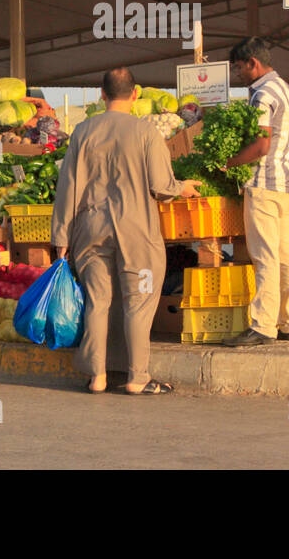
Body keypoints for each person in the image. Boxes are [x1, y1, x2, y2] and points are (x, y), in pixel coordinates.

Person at [51, 67, 201, 393]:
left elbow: (68, 188)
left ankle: (98, 376)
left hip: (90, 230)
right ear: (135, 94)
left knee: (97, 301)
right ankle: (137, 377)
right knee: (140, 299)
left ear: (101, 94)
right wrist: (183, 187)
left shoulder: (82, 131)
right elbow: (161, 185)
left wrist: (60, 237)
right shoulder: (146, 132)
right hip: (136, 233)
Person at [222, 37, 289, 346]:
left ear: (253, 63)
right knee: (287, 255)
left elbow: (261, 144)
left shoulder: (263, 95)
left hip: (264, 185)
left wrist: (229, 163)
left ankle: (263, 327)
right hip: (287, 185)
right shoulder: (287, 91)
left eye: (239, 68)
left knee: (265, 256)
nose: (238, 74)